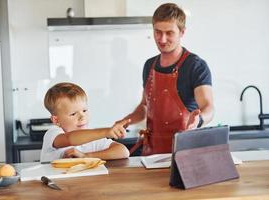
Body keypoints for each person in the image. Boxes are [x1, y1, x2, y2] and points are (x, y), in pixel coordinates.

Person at [116, 3, 214, 155]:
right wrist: (125, 121)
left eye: (169, 33)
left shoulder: (196, 66)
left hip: (183, 152)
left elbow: (208, 107)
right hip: (151, 153)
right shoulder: (149, 65)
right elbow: (144, 106)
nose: (162, 39)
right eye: (158, 32)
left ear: (182, 32)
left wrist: (199, 120)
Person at [40, 82, 130, 162]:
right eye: (73, 114)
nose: (82, 117)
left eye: (84, 110)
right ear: (56, 120)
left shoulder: (92, 137)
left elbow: (123, 151)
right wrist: (106, 132)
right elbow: (70, 139)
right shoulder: (53, 134)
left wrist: (86, 156)